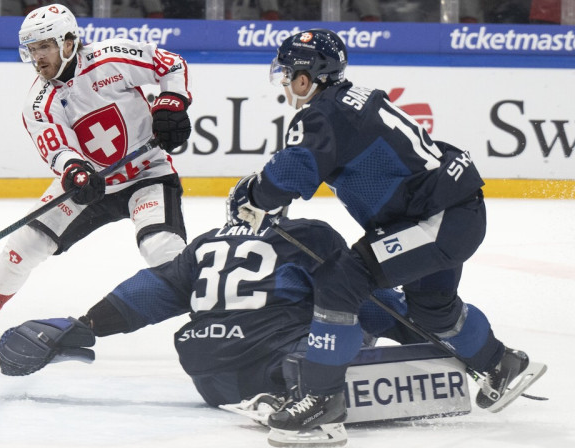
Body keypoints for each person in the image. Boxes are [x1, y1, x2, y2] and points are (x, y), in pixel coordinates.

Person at [226, 28, 546, 443]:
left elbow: (295, 169)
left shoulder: (321, 114)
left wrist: (255, 193)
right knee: (433, 309)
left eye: (288, 73)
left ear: (305, 76)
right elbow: (311, 164)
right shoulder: (346, 101)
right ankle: (501, 362)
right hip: (450, 210)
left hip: (438, 220)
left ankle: (323, 401)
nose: (285, 82)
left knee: (340, 279)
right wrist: (272, 192)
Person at [0, 212, 425, 440]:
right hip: (279, 365)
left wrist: (81, 325)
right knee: (343, 323)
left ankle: (288, 374)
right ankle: (305, 382)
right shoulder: (306, 235)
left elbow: (148, 294)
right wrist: (429, 333)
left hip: (210, 380)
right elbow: (366, 300)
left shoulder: (206, 244)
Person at [0, 4, 193, 346]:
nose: (38, 57)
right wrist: (74, 170)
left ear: (68, 42)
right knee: (26, 244)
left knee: (163, 251)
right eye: (32, 49)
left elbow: (170, 64)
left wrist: (172, 101)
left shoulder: (111, 55)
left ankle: (212, 315)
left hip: (147, 174)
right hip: (93, 183)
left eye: (44, 47)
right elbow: (58, 148)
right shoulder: (38, 102)